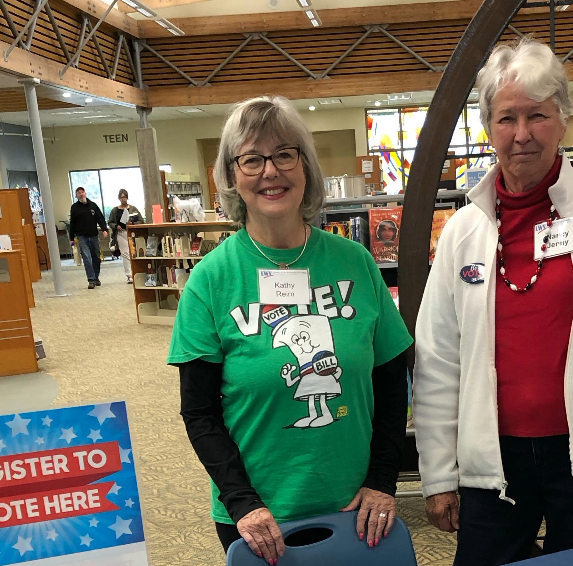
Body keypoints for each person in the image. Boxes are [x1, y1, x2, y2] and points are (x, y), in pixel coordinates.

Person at [412, 38, 573, 566]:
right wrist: (439, 473)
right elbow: (438, 359)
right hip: (491, 460)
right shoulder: (464, 231)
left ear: (562, 119)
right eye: (507, 117)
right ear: (489, 128)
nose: (522, 133)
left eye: (537, 115)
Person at [168, 95, 413, 565]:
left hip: (356, 506)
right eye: (252, 159)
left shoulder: (355, 263)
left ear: (305, 167)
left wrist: (383, 480)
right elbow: (199, 412)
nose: (270, 171)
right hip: (261, 519)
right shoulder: (211, 280)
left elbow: (390, 384)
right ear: (232, 176)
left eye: (284, 154)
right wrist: (243, 503)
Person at [68, 187, 108, 289]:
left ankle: (96, 277)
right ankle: (91, 280)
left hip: (94, 236)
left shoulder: (93, 206)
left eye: (82, 192)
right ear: (76, 196)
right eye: (78, 193)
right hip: (82, 237)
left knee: (96, 258)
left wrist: (104, 229)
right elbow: (72, 223)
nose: (81, 195)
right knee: (87, 258)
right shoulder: (74, 208)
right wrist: (71, 238)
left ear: (85, 193)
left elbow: (100, 218)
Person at [108, 189, 143, 284]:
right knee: (125, 253)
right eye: (121, 197)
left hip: (131, 232)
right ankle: (129, 275)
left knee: (134, 252)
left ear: (127, 197)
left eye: (124, 197)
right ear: (119, 198)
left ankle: (137, 272)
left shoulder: (133, 209)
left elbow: (141, 220)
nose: (123, 199)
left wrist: (133, 223)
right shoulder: (115, 210)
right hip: (121, 233)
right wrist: (116, 226)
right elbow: (110, 222)